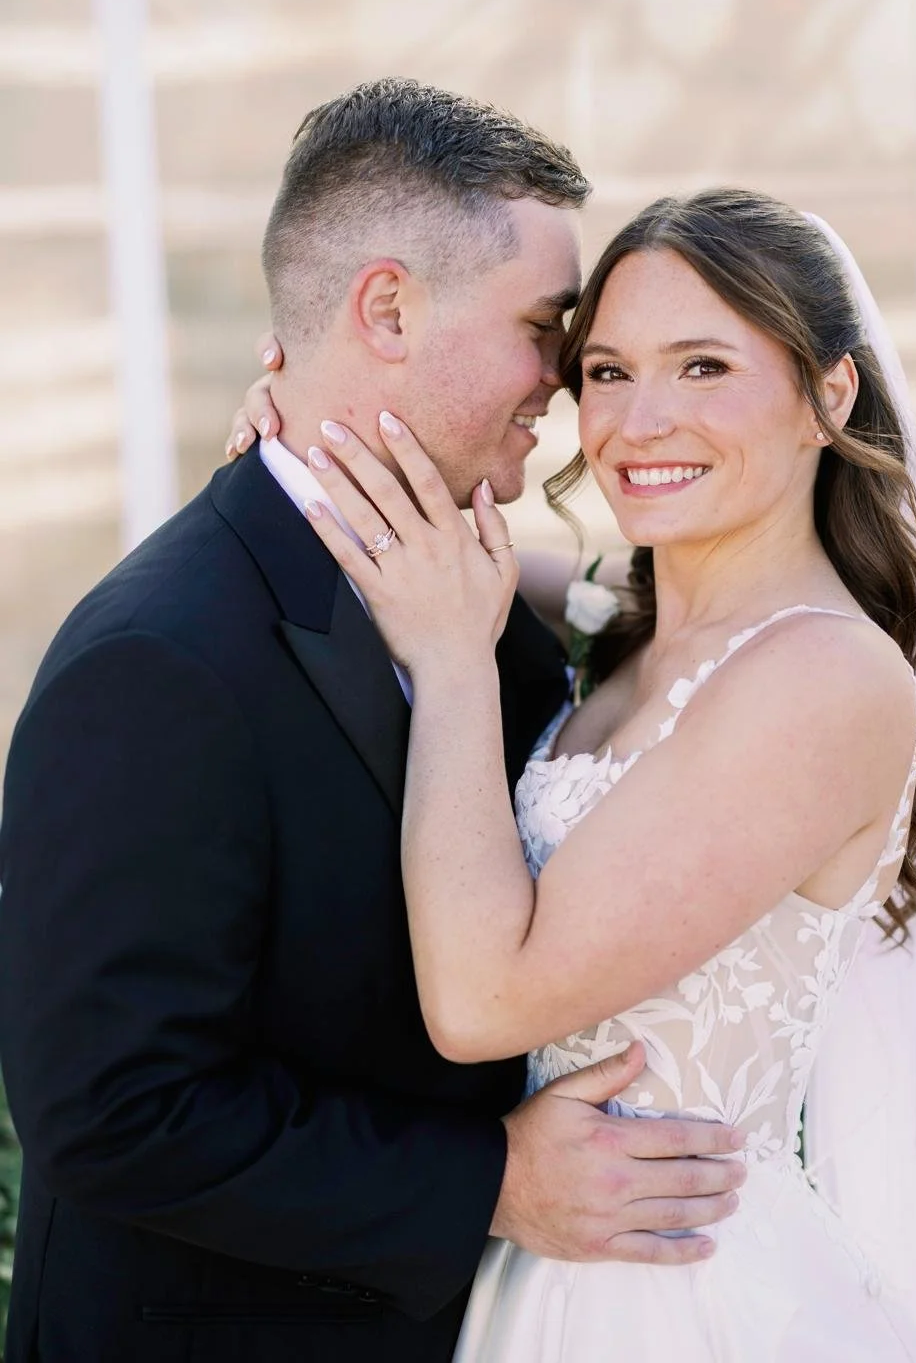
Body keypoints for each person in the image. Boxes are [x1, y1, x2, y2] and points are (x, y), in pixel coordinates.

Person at [0, 81, 745, 1363]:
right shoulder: (158, 661)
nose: (564, 381)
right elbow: (114, 1112)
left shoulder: (471, 588)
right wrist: (494, 1181)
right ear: (387, 309)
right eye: (544, 328)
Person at [236, 186, 916, 1360]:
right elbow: (454, 552)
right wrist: (308, 443)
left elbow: (485, 1003)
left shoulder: (824, 678)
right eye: (605, 371)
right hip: (547, 1264)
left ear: (829, 394)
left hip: (682, 1289)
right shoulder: (632, 628)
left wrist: (453, 664)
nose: (640, 423)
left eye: (703, 367)